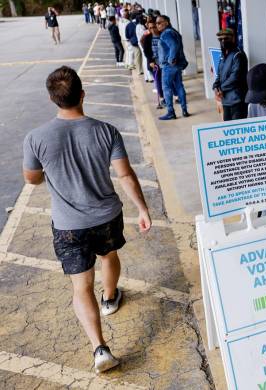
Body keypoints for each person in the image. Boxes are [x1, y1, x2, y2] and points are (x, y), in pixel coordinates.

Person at [22, 66, 152, 373]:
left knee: (81, 286)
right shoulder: (106, 131)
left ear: (53, 99)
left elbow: (32, 179)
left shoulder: (36, 138)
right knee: (109, 256)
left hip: (68, 225)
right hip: (107, 216)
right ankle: (110, 298)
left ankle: (100, 348)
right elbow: (125, 175)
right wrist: (142, 209)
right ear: (82, 94)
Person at [157, 15, 190, 120]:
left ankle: (171, 112)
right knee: (179, 86)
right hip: (177, 65)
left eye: (159, 23)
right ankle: (184, 110)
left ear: (166, 22)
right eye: (156, 23)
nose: (157, 25)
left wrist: (171, 59)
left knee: (167, 88)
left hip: (169, 66)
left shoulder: (165, 34)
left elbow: (174, 45)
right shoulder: (174, 32)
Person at [213, 29, 249, 121]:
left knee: (238, 130)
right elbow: (219, 75)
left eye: (226, 39)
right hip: (226, 101)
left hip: (237, 100)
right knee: (227, 129)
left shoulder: (238, 55)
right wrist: (215, 87)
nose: (223, 41)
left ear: (233, 39)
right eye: (220, 40)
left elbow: (235, 77)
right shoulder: (223, 55)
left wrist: (221, 88)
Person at [142, 19, 164, 108]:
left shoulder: (163, 35)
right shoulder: (147, 38)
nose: (152, 29)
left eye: (154, 27)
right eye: (150, 28)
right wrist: (150, 61)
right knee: (158, 81)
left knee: (167, 82)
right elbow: (146, 50)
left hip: (165, 62)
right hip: (154, 63)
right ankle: (162, 98)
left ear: (157, 26)